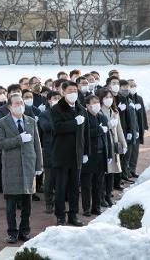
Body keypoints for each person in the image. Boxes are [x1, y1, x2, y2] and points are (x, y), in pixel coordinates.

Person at [0, 94, 43, 243]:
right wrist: (18, 140)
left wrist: (38, 165)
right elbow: (0, 143)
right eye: (16, 103)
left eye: (21, 103)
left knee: (27, 202)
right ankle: (12, 232)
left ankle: (25, 230)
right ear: (9, 106)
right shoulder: (2, 123)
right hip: (11, 167)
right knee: (11, 203)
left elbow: (37, 145)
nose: (20, 105)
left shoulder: (31, 121)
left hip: (28, 166)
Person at [51, 81, 90, 226]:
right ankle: (60, 215)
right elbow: (57, 127)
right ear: (63, 92)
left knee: (74, 187)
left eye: (75, 90)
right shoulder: (57, 108)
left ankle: (73, 214)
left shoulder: (81, 108)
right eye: (70, 90)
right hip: (62, 154)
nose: (73, 93)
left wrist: (86, 152)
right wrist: (74, 122)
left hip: (77, 154)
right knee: (61, 187)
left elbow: (85, 133)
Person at [80, 95, 112, 217]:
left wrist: (108, 154)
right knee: (87, 184)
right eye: (94, 103)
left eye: (98, 102)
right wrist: (98, 131)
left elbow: (107, 136)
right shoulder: (84, 118)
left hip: (101, 154)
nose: (97, 104)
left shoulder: (102, 117)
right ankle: (86, 208)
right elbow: (83, 135)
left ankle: (96, 207)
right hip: (89, 155)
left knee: (99, 183)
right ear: (87, 105)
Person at [99, 89, 127, 207]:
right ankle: (101, 196)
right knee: (103, 173)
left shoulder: (114, 111)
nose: (109, 99)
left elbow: (119, 129)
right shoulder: (99, 112)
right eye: (106, 97)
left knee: (112, 172)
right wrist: (107, 125)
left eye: (110, 97)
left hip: (113, 145)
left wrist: (123, 143)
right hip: (103, 145)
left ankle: (108, 195)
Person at [38, 91, 61, 214]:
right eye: (54, 98)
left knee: (61, 179)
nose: (57, 100)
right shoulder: (44, 114)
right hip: (49, 149)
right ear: (49, 100)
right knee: (50, 179)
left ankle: (59, 202)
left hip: (63, 149)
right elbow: (46, 128)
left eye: (59, 98)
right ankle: (48, 203)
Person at [118, 79, 140, 182]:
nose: (126, 89)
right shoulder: (119, 100)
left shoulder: (130, 100)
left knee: (129, 155)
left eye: (128, 88)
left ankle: (126, 174)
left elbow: (134, 118)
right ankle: (122, 175)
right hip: (123, 132)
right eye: (124, 87)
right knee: (123, 156)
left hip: (130, 131)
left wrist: (135, 130)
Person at [128, 79, 149, 178]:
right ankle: (127, 171)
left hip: (138, 128)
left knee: (135, 150)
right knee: (129, 151)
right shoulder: (125, 98)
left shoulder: (139, 98)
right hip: (130, 128)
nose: (133, 87)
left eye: (134, 85)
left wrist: (145, 125)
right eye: (131, 85)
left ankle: (133, 169)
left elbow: (143, 113)